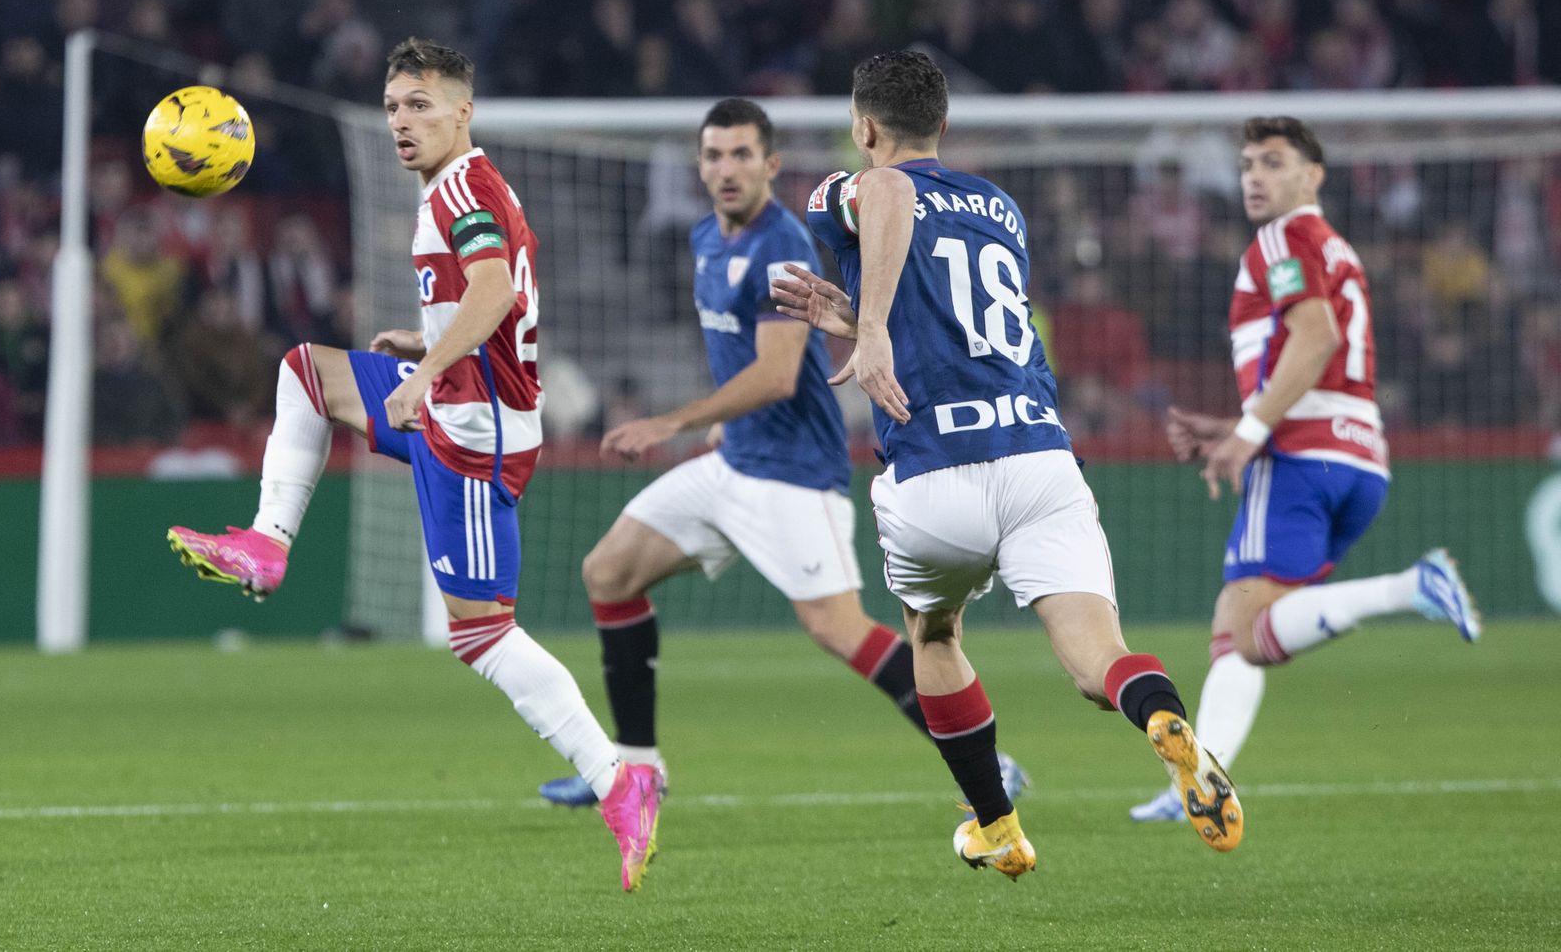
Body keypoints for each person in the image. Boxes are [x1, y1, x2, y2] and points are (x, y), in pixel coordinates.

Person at [165, 38, 663, 892]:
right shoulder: (457, 186)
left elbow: (495, 289)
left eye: (420, 106)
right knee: (307, 372)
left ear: (463, 113)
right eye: (394, 106)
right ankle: (267, 543)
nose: (402, 121)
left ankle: (621, 781)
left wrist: (426, 373)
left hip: (476, 435)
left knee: (483, 635)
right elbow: (487, 297)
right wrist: (424, 341)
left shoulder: (463, 188)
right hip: (455, 398)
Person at [773, 49, 1242, 880]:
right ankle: (1161, 718)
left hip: (934, 467)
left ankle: (996, 824)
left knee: (933, 632)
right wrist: (863, 316)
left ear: (864, 127)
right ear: (945, 123)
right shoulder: (1001, 208)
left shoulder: (851, 186)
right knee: (1099, 663)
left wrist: (869, 329)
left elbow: (889, 193)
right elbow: (952, 318)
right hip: (1037, 460)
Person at [536, 98, 1026, 807]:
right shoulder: (706, 236)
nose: (726, 169)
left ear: (770, 164)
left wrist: (670, 423)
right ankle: (637, 771)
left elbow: (775, 374)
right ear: (699, 166)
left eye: (742, 155)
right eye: (714, 155)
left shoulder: (781, 246)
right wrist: (718, 426)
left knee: (837, 628)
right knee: (608, 572)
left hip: (795, 475)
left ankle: (992, 763)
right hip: (733, 460)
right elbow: (739, 353)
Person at [1128, 116, 1481, 823]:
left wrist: (1251, 432)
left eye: (1273, 162)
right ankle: (1198, 782)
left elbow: (1316, 337)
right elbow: (1322, 360)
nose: (1255, 176)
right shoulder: (1334, 246)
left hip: (1299, 456)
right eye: (1246, 164)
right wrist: (1235, 426)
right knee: (1240, 623)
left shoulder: (1281, 239)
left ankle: (1410, 586)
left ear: (1313, 175)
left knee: (1245, 631)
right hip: (1360, 456)